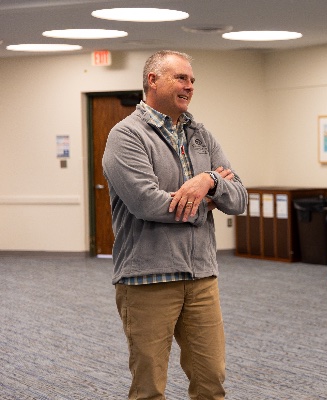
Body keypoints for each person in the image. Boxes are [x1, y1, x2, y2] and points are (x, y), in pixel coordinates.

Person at [102, 50, 247, 400]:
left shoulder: (200, 134)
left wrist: (208, 181)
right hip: (147, 278)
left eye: (192, 80)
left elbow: (239, 198)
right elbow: (146, 203)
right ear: (153, 80)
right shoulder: (126, 136)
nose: (190, 86)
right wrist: (207, 202)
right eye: (181, 78)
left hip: (201, 277)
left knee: (211, 380)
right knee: (149, 386)